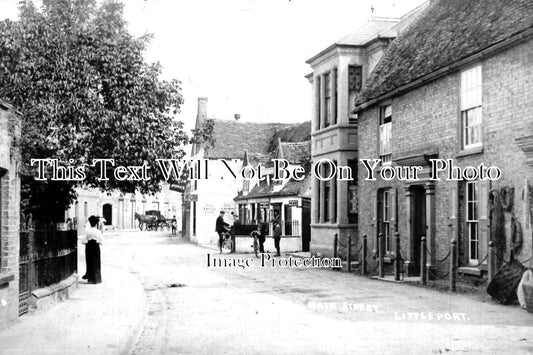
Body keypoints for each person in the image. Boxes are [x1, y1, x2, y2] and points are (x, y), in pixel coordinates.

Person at [82, 215, 103, 284]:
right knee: (96, 262)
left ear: (90, 223)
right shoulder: (98, 232)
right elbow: (101, 242)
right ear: (96, 223)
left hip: (89, 247)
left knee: (89, 262)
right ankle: (96, 279)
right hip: (96, 247)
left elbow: (83, 241)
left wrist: (88, 241)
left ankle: (90, 278)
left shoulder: (87, 231)